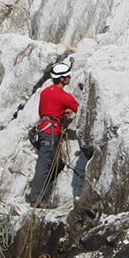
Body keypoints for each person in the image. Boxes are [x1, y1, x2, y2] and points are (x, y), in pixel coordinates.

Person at [27, 60, 80, 208]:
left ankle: (40, 195)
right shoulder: (64, 96)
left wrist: (62, 112)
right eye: (68, 76)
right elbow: (80, 109)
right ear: (62, 79)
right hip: (51, 132)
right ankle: (36, 200)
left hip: (42, 130)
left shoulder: (45, 92)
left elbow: (46, 111)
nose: (70, 77)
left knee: (51, 163)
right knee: (44, 166)